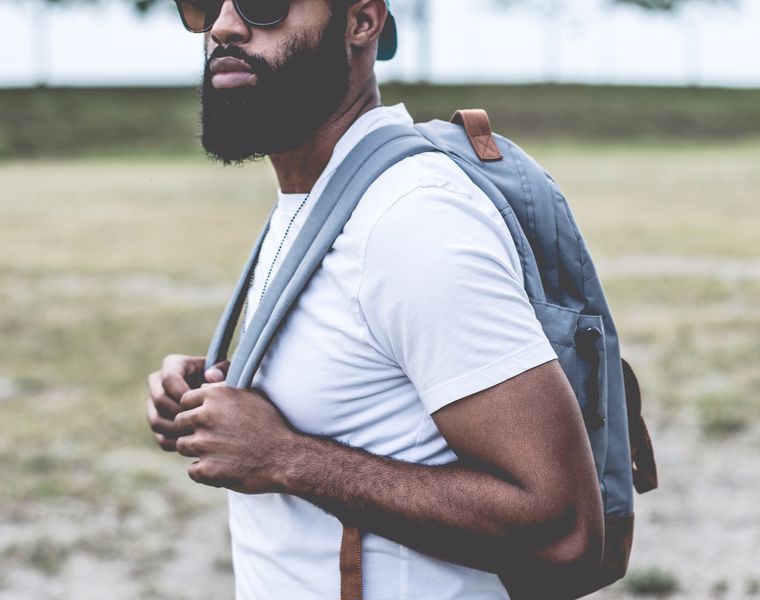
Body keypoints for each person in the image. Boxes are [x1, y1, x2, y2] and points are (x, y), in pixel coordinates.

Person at [145, 1, 604, 598]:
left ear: (362, 21)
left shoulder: (411, 220)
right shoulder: (324, 196)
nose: (225, 27)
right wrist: (217, 400)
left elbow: (563, 531)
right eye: (205, 5)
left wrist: (286, 456)